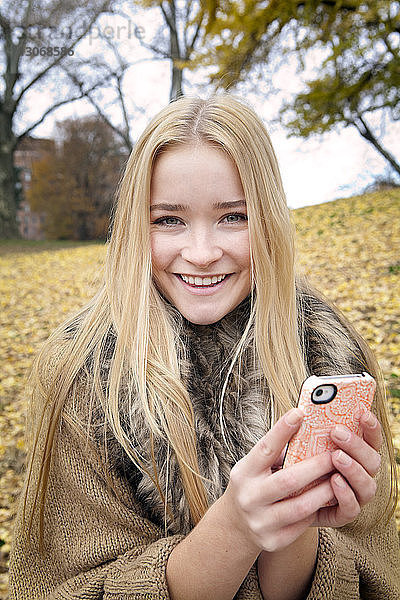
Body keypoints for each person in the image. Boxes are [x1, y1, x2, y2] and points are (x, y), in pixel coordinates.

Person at [8, 94, 400, 600]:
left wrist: (299, 522)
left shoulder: (332, 355)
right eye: (169, 220)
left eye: (233, 217)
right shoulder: (81, 375)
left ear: (268, 219)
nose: (201, 253)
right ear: (134, 225)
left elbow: (378, 567)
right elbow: (57, 583)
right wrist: (234, 531)